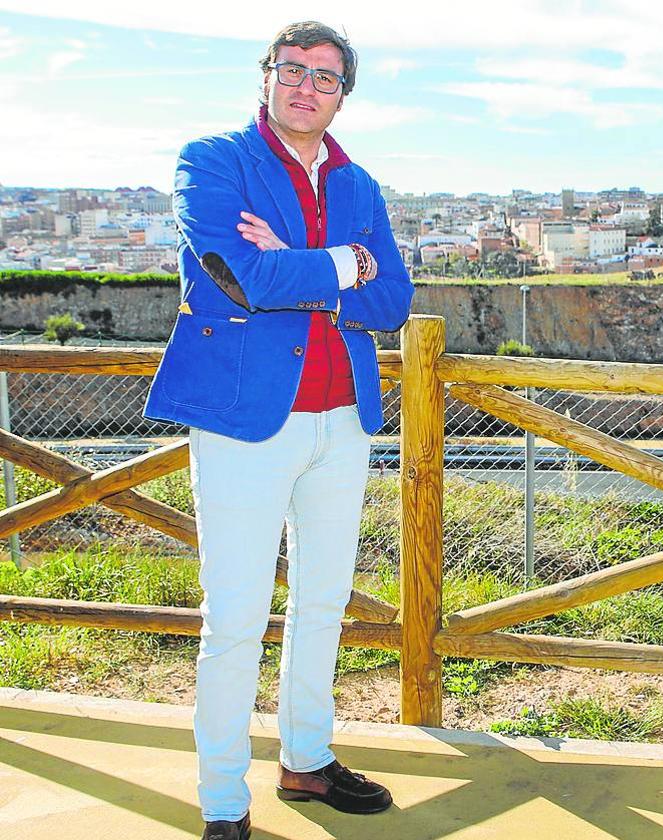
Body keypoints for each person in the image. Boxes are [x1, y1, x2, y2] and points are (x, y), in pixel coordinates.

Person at [144, 20, 414, 840]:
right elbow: (237, 278)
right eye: (292, 70)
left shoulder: (359, 181)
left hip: (344, 417)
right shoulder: (213, 159)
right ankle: (225, 799)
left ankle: (306, 758)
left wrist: (307, 264)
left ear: (343, 95)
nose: (307, 87)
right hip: (244, 420)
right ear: (266, 77)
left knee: (324, 602)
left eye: (326, 78)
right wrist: (342, 263)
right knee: (234, 617)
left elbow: (393, 302)